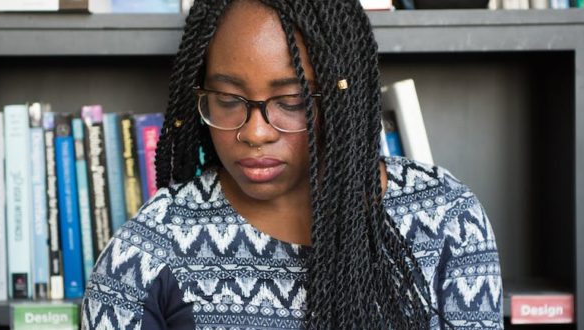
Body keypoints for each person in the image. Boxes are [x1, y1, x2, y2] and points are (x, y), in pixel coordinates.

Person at [81, 0, 503, 329]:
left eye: (293, 100)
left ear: (341, 98)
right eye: (228, 101)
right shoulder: (149, 250)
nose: (256, 133)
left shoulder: (448, 220)